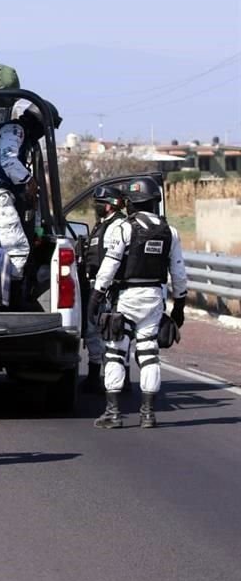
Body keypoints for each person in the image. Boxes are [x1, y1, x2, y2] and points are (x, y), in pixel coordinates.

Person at [88, 178, 188, 429]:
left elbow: (109, 267)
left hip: (127, 297)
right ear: (155, 202)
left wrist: (96, 297)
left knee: (115, 351)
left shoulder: (124, 228)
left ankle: (113, 413)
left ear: (131, 203)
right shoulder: (170, 231)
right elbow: (178, 273)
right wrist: (179, 307)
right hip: (155, 297)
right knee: (148, 352)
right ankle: (148, 414)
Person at [0, 99, 61, 281]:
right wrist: (29, 181)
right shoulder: (15, 130)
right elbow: (8, 160)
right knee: (18, 250)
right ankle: (12, 297)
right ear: (38, 122)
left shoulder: (19, 132)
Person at [80, 186, 127, 393]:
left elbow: (111, 261)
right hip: (99, 286)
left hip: (107, 288)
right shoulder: (104, 225)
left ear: (108, 205)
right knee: (101, 333)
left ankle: (108, 379)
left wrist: (99, 293)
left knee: (108, 333)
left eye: (99, 204)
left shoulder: (117, 227)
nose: (95, 208)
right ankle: (100, 377)